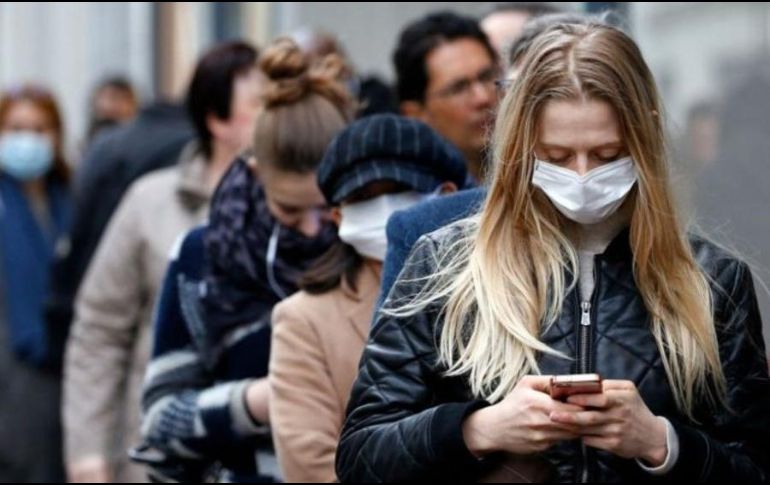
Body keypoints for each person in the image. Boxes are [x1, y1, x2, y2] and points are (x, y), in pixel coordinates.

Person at [336, 22, 770, 482]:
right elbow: (361, 456)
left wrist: (661, 442)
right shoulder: (446, 265)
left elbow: (757, 467)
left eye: (607, 155)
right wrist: (480, 428)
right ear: (522, 148)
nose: (582, 176)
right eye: (558, 157)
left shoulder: (711, 280)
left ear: (645, 141)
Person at [138, 37, 355, 482]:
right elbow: (160, 419)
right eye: (291, 211)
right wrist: (262, 398)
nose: (314, 229)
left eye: (328, 208)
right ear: (257, 172)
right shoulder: (204, 255)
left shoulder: (371, 249)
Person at [63, 40, 263, 483]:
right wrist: (88, 453)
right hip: (157, 454)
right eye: (260, 103)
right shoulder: (150, 202)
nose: (276, 117)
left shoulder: (295, 211)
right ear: (217, 118)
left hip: (260, 454)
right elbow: (99, 331)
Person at [269, 113, 467, 482]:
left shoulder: (494, 287)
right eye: (363, 198)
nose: (385, 210)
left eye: (398, 189)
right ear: (338, 216)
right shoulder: (304, 320)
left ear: (447, 196)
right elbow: (310, 464)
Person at [0, 84, 71, 482]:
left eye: (40, 129)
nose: (28, 139)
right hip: (12, 380)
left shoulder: (71, 200)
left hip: (63, 378)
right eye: (15, 128)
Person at [394, 11, 499, 181]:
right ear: (415, 114)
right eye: (459, 88)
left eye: (487, 76)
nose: (482, 98)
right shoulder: (413, 198)